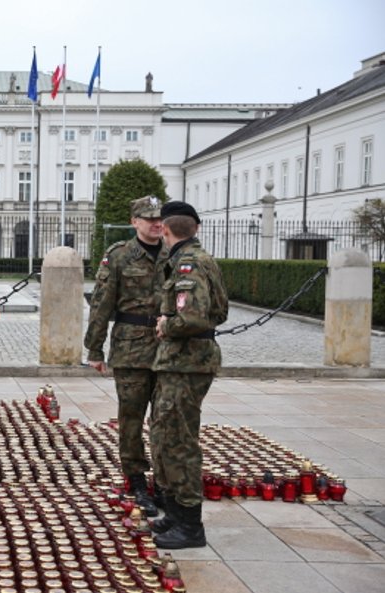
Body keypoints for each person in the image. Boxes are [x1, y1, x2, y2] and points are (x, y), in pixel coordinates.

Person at [149, 200, 228, 549]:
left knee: (178, 441)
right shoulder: (200, 259)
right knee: (167, 435)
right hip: (184, 363)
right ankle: (176, 514)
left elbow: (194, 318)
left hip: (186, 362)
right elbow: (221, 310)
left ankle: (190, 525)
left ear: (166, 230)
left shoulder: (188, 263)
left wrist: (168, 324)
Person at [84, 195, 165, 518]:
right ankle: (136, 480)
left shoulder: (177, 253)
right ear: (135, 222)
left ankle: (165, 482)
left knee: (166, 419)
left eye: (159, 218)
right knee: (131, 419)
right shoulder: (119, 256)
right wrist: (94, 348)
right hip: (131, 348)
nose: (156, 223)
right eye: (148, 218)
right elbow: (102, 303)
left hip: (169, 350)